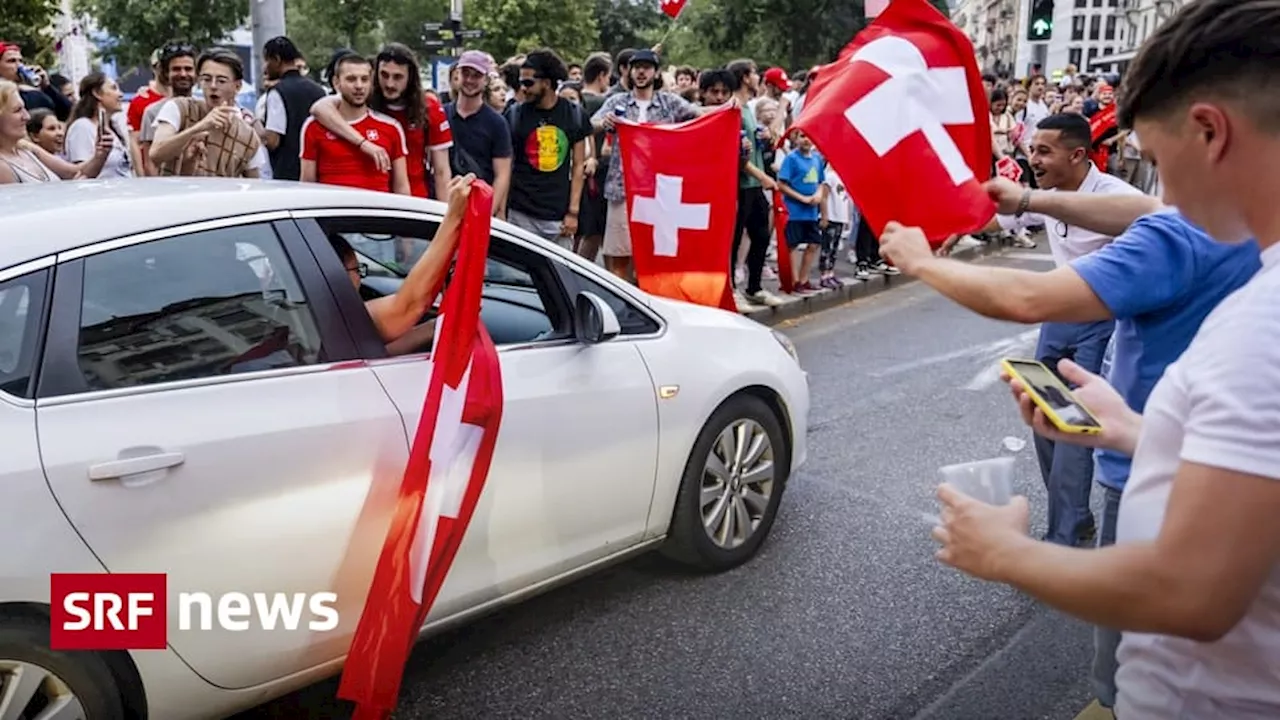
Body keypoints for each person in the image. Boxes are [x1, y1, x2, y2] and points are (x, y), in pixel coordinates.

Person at [927, 2, 1280, 718]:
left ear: (1210, 131)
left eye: (1154, 162)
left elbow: (1194, 593)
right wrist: (1133, 431)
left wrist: (1003, 554)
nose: (1161, 194)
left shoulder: (1261, 326)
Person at [332, 173, 476, 355]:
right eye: (357, 270)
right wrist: (453, 217)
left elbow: (378, 353)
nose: (360, 277)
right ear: (337, 273)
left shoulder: (307, 316)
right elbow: (410, 305)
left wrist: (436, 327)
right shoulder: (340, 315)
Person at [309, 43, 452, 198]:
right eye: (384, 75)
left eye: (398, 77)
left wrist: (445, 214)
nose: (390, 83)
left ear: (410, 78)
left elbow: (441, 171)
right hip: (375, 198)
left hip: (415, 199)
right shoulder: (363, 98)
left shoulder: (429, 107)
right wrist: (363, 143)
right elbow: (319, 108)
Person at [504, 49, 589, 248]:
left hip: (558, 217)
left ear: (547, 83)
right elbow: (505, 165)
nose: (522, 88)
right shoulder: (514, 115)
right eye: (520, 82)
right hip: (520, 214)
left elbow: (578, 166)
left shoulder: (574, 114)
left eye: (528, 83)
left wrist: (573, 212)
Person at [300, 54, 409, 194]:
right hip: (333, 212)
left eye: (364, 79)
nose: (359, 86)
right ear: (336, 82)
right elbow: (308, 184)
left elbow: (401, 187)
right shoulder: (313, 127)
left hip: (378, 213)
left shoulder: (391, 127)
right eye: (351, 79)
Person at [149, 49, 265, 178]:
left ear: (237, 86)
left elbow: (254, 184)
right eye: (207, 79)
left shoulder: (248, 136)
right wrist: (200, 127)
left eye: (221, 81)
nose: (213, 86)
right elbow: (155, 154)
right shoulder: (178, 108)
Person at [0, 79, 109, 184]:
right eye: (17, 110)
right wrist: (73, 191)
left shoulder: (27, 148)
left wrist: (101, 154)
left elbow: (74, 172)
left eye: (24, 109)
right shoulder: (3, 166)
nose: (27, 116)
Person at [260, 36, 327, 181]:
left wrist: (255, 127)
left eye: (266, 60)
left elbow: (273, 140)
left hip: (287, 177)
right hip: (318, 173)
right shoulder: (319, 90)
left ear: (276, 59)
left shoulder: (278, 92)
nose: (264, 67)